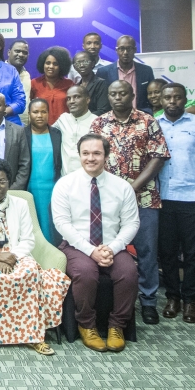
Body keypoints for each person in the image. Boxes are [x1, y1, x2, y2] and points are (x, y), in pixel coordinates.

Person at [0, 158, 70, 355]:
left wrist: (10, 257)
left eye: (1, 181)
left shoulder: (21, 204)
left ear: (9, 182)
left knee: (30, 272)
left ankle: (33, 336)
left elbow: (28, 241)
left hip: (15, 254)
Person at [91, 81, 170, 325]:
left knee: (146, 252)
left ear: (132, 95)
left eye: (122, 93)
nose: (117, 97)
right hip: (107, 200)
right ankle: (115, 299)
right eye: (113, 94)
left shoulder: (147, 121)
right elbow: (92, 157)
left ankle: (148, 303)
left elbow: (158, 157)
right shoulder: (99, 123)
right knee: (110, 249)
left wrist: (131, 187)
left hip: (144, 197)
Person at [52, 133, 140, 352]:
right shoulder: (65, 185)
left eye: (97, 153)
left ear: (106, 156)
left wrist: (112, 247)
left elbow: (132, 223)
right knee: (85, 273)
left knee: (128, 273)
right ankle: (86, 325)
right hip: (77, 246)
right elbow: (62, 224)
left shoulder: (122, 187)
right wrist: (91, 251)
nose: (91, 158)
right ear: (79, 155)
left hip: (112, 246)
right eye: (86, 153)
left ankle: (117, 326)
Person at [156, 83, 195, 324]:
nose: (173, 101)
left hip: (194, 199)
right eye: (168, 97)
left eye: (178, 97)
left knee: (193, 253)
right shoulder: (154, 125)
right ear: (161, 100)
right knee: (167, 252)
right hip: (164, 198)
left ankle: (190, 300)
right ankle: (173, 297)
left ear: (185, 99)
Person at [25, 98, 63, 243]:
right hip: (30, 189)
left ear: (48, 113)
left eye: (43, 112)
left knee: (52, 226)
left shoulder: (57, 134)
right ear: (29, 114)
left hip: (53, 189)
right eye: (35, 112)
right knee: (33, 225)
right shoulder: (22, 134)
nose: (39, 115)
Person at [97, 36, 156, 114]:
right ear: (116, 50)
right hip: (113, 119)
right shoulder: (103, 72)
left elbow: (152, 96)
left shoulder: (146, 71)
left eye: (129, 49)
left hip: (141, 119)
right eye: (121, 49)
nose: (125, 52)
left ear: (135, 50)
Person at [55, 86, 97, 176]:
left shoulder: (97, 122)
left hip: (89, 180)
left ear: (87, 100)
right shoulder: (63, 119)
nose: (71, 101)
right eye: (68, 98)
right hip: (65, 180)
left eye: (77, 97)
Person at [30, 46, 75, 125]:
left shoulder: (69, 84)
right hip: (41, 129)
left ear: (61, 66)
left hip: (65, 128)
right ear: (43, 64)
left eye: (55, 64)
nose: (51, 66)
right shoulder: (34, 83)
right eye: (48, 63)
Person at [71, 50, 110, 115]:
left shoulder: (101, 83)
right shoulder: (77, 86)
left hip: (96, 123)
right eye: (78, 63)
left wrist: (83, 118)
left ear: (93, 64)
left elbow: (103, 110)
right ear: (74, 67)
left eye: (85, 62)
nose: (81, 65)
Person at [7, 39, 32, 125]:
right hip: (6, 127)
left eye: (24, 52)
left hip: (25, 128)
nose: (21, 55)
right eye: (17, 51)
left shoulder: (27, 75)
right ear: (9, 52)